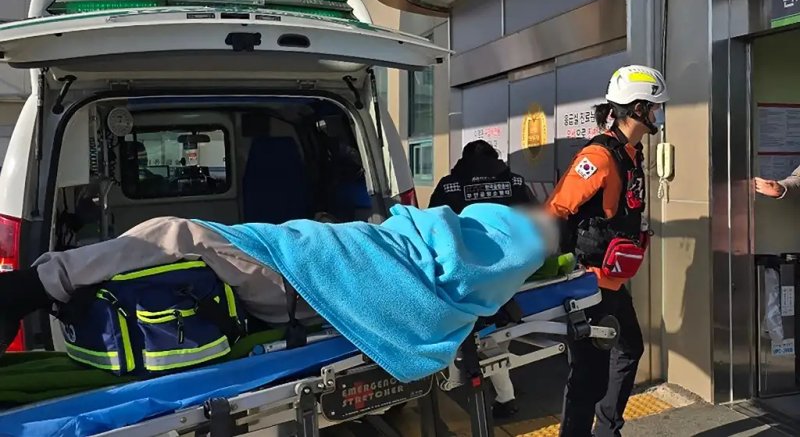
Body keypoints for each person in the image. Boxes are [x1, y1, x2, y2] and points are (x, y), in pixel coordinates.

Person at [0, 204, 560, 384]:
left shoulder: (486, 259)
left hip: (302, 275)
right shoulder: (486, 259)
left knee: (177, 233)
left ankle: (36, 283)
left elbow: (441, 256)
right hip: (326, 251)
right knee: (180, 239)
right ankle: (43, 284)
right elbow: (432, 240)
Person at [545, 65, 669, 437]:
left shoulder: (631, 153)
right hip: (589, 283)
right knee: (589, 374)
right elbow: (557, 209)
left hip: (613, 282)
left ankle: (607, 429)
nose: (658, 114)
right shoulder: (599, 157)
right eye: (655, 107)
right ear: (638, 109)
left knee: (629, 348)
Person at [429, 139, 537, 419]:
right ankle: (501, 391)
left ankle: (498, 392)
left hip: (469, 272)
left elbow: (434, 224)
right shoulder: (514, 182)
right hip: (515, 267)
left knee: (479, 334)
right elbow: (535, 218)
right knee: (495, 336)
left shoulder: (449, 185)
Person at [429, 140, 536, 212]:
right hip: (510, 242)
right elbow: (532, 214)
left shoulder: (448, 186)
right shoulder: (515, 182)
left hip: (463, 243)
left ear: (464, 159)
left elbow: (435, 218)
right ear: (494, 157)